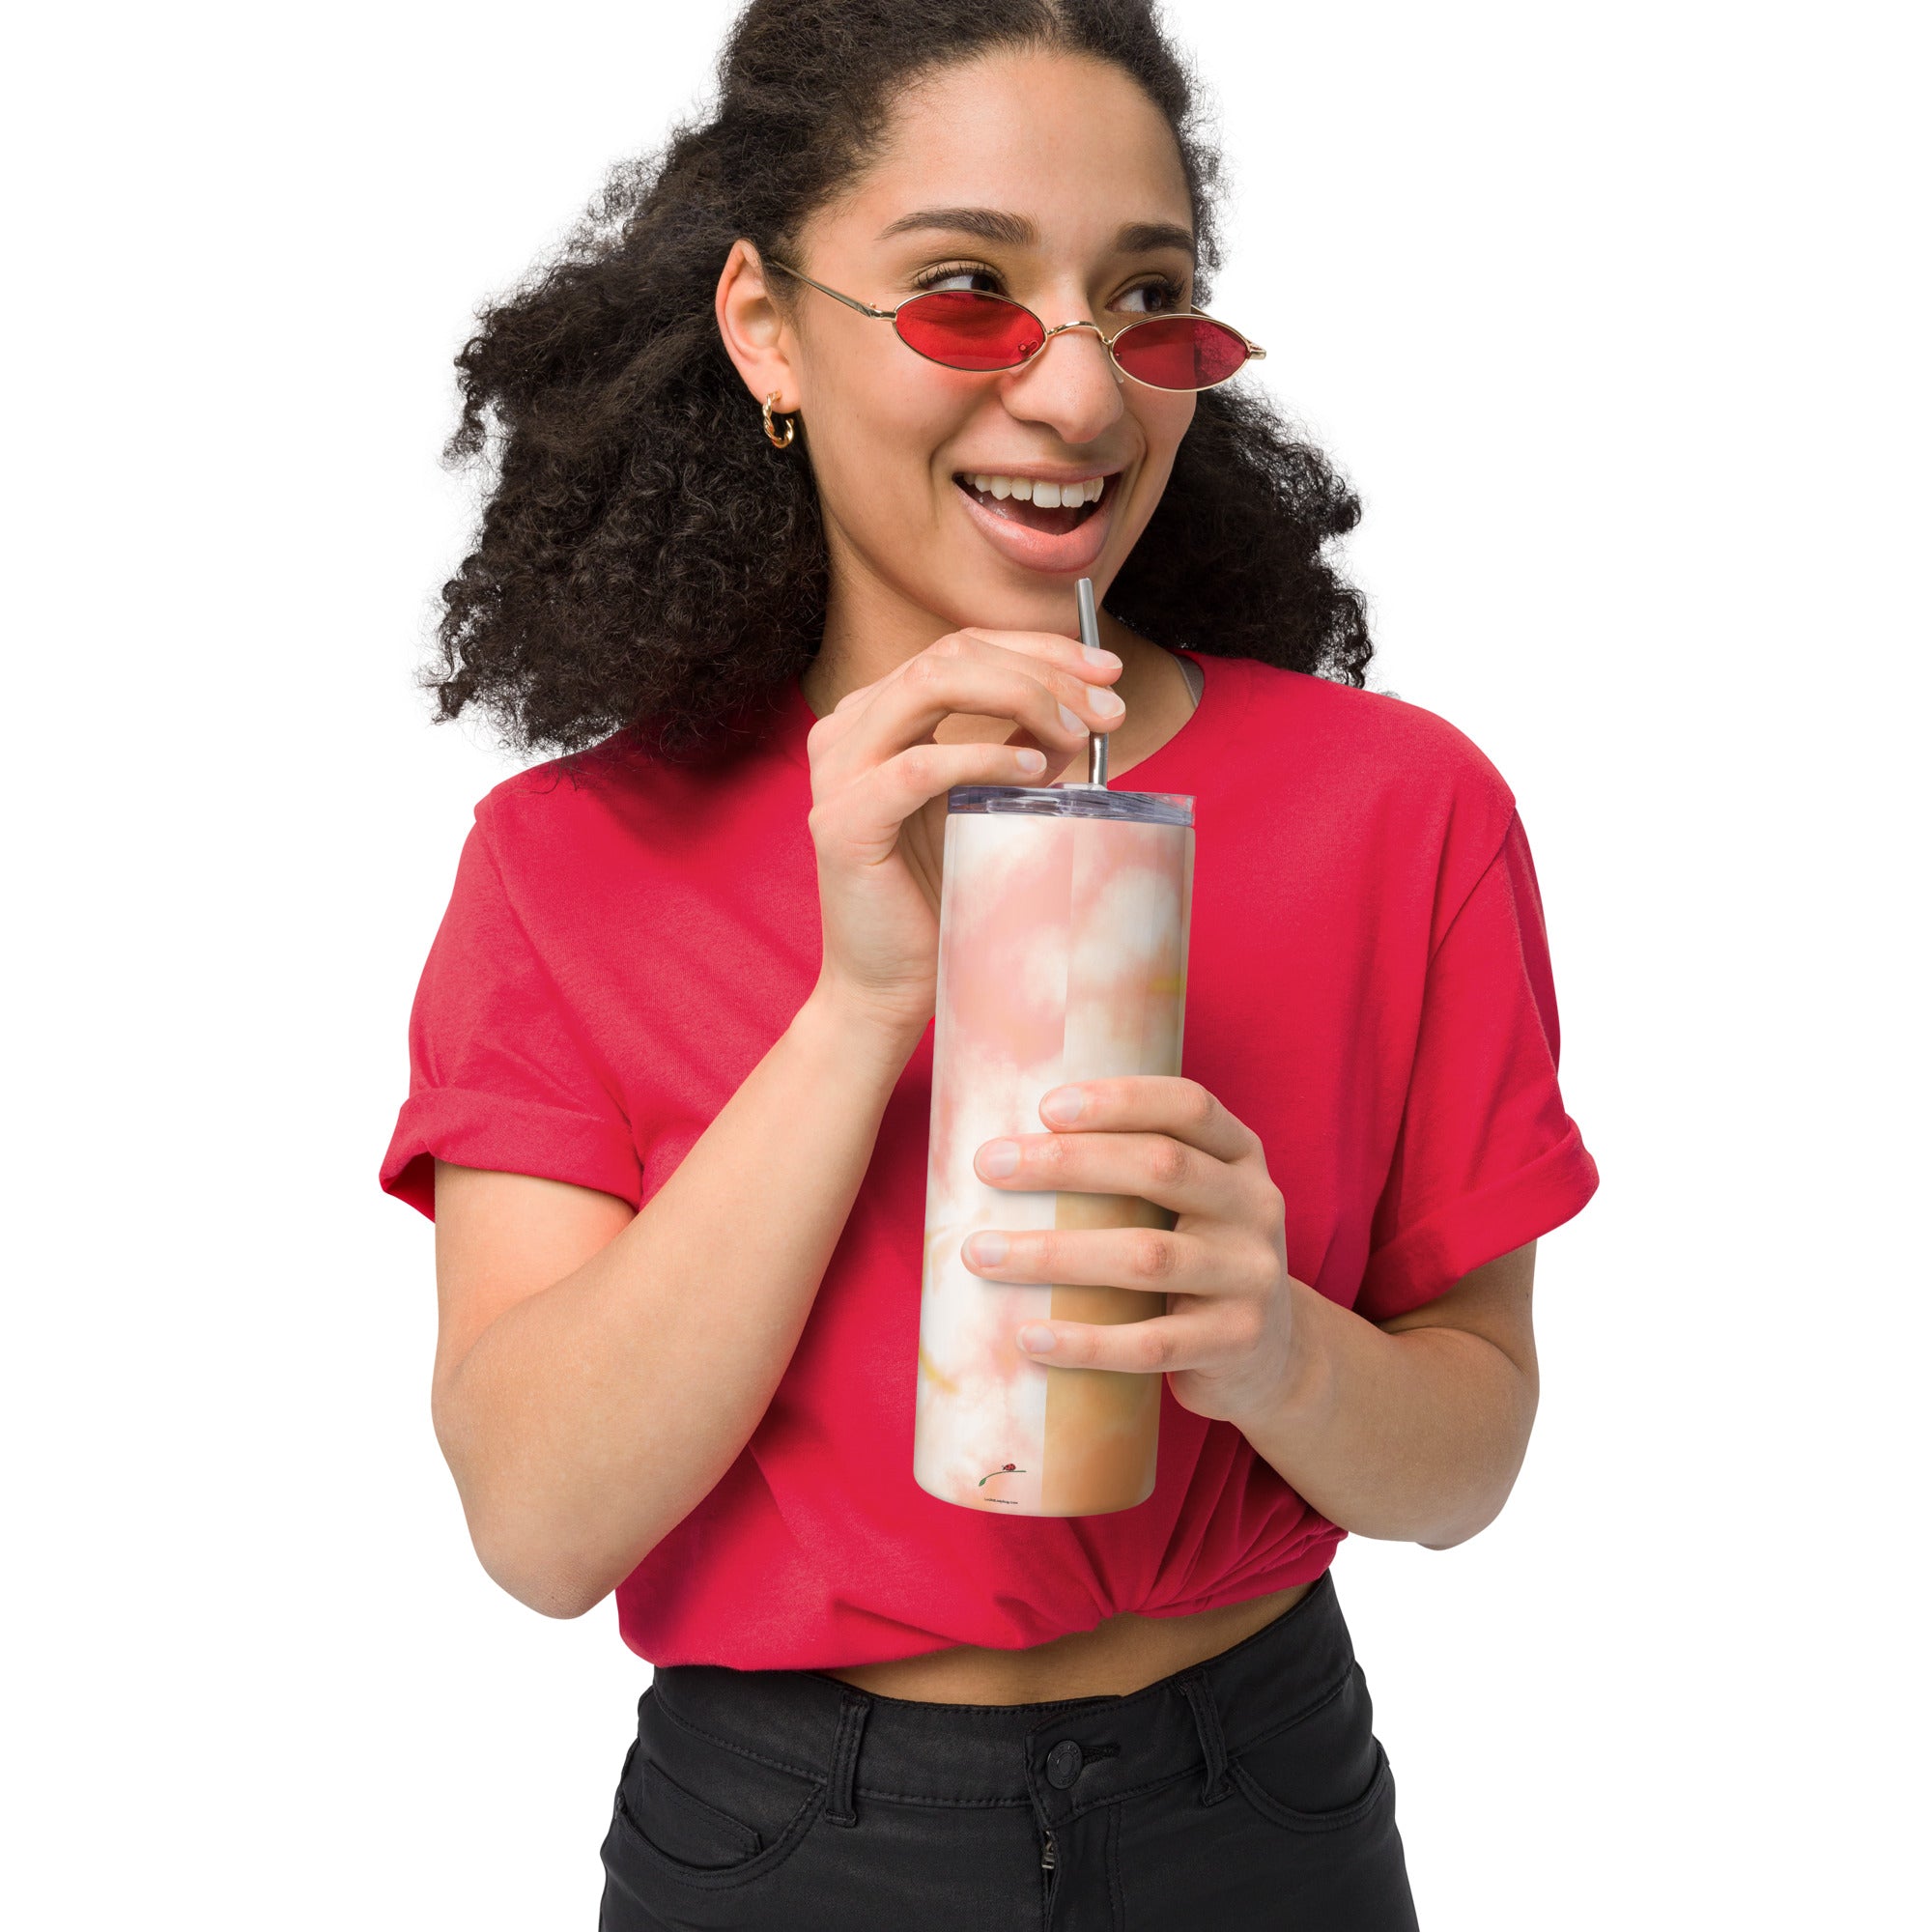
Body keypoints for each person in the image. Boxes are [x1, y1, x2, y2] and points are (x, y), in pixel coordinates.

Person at [380, 2, 1600, 1923]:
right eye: (966, 293)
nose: (1081, 397)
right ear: (768, 328)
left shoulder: (1401, 809)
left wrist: (1276, 1346)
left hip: (1258, 1797)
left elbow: (1468, 1457)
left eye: (1147, 302)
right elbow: (538, 1525)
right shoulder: (567, 864)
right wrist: (865, 998)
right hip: (789, 1831)